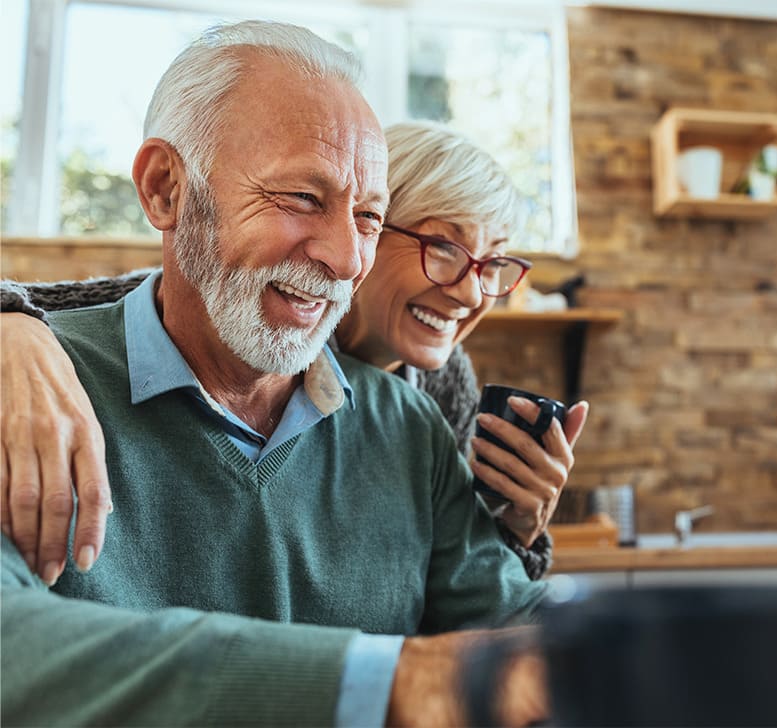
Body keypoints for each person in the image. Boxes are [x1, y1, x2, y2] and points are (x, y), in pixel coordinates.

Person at [0, 20, 551, 727]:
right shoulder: (26, 390)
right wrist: (391, 683)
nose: (346, 259)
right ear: (166, 190)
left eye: (369, 216)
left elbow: (520, 624)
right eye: (302, 198)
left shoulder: (412, 423)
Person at [0, 120, 586, 584]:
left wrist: (517, 528)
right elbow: (75, 312)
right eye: (443, 248)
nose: (470, 293)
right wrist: (14, 329)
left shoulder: (441, 386)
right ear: (366, 229)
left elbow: (454, 586)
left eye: (492, 263)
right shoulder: (230, 312)